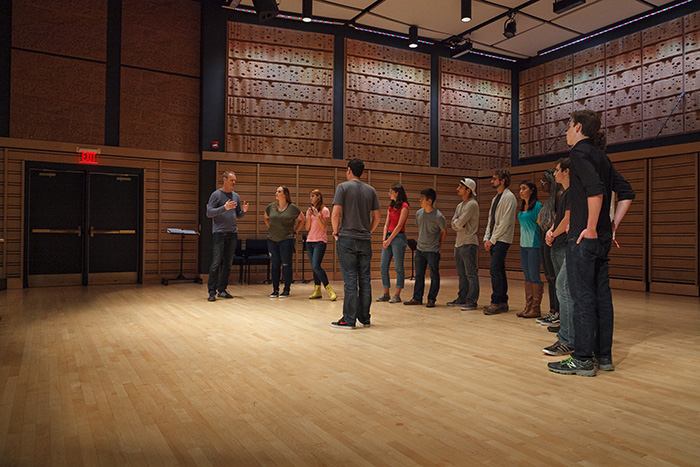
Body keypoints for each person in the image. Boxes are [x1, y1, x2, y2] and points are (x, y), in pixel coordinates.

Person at [548, 110, 635, 376]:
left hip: (585, 238)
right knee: (601, 298)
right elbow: (627, 192)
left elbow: (596, 190)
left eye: (568, 126)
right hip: (602, 237)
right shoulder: (602, 156)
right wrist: (612, 224)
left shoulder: (578, 154)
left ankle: (583, 359)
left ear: (577, 127)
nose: (565, 132)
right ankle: (603, 356)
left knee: (583, 298)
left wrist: (591, 227)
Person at [330, 159, 381, 329]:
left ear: (349, 170)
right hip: (365, 240)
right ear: (362, 172)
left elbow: (335, 214)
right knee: (365, 279)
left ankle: (349, 319)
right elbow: (378, 217)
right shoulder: (371, 190)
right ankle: (364, 318)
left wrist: (336, 232)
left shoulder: (342, 187)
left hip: (347, 239)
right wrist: (368, 231)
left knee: (350, 280)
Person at [543, 157, 574, 356]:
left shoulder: (574, 193)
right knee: (562, 288)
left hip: (569, 247)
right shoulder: (564, 195)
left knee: (564, 287)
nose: (554, 174)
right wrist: (551, 231)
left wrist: (554, 233)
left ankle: (568, 338)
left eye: (557, 170)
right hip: (560, 244)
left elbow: (569, 219)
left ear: (567, 171)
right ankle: (566, 333)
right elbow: (559, 218)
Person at [206, 171, 249, 302]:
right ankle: (212, 291)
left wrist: (244, 212)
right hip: (219, 233)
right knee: (216, 262)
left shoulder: (236, 196)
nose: (234, 182)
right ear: (224, 179)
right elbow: (209, 213)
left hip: (232, 233)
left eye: (235, 180)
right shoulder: (216, 195)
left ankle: (222, 290)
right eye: (231, 180)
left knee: (228, 264)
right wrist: (224, 208)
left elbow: (238, 215)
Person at [404, 188, 447, 308]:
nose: (420, 200)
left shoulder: (439, 216)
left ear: (429, 201)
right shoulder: (419, 213)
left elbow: (444, 231)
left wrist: (439, 246)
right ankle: (417, 298)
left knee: (434, 275)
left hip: (432, 250)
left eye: (422, 199)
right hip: (420, 249)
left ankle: (431, 299)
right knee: (419, 275)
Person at [483, 170, 517, 315]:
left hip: (502, 239)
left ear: (502, 180)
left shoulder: (509, 197)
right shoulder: (496, 198)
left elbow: (505, 222)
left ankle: (496, 301)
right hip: (494, 239)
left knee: (494, 269)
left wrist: (493, 239)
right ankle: (503, 301)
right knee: (499, 270)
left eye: (494, 179)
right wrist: (486, 237)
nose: (492, 181)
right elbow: (491, 219)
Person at [264, 186, 304, 298]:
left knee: (286, 264)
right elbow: (266, 218)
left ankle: (286, 289)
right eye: (276, 191)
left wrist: (295, 231)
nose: (276, 193)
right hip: (272, 239)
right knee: (275, 264)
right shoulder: (271, 207)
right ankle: (275, 289)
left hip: (286, 239)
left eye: (279, 191)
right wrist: (271, 228)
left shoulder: (293, 208)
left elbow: (302, 219)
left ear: (285, 194)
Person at [447, 178, 480, 310]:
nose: (457, 189)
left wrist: (457, 224)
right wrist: (457, 224)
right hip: (458, 243)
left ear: (468, 190)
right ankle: (462, 298)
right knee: (461, 274)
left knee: (470, 273)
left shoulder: (472, 204)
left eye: (460, 187)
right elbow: (454, 223)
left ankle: (472, 300)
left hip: (469, 242)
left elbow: (459, 223)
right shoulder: (460, 205)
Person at [376, 184, 409, 304]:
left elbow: (399, 225)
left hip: (398, 237)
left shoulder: (404, 206)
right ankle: (386, 293)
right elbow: (386, 224)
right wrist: (384, 239)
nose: (389, 194)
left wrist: (389, 240)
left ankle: (397, 294)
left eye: (391, 192)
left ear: (397, 193)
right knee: (383, 265)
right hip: (388, 237)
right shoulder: (390, 207)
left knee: (398, 267)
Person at [516, 180, 543, 318]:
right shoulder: (523, 208)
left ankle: (536, 308)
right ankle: (528, 306)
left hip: (534, 245)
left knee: (534, 277)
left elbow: (542, 226)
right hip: (523, 246)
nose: (521, 191)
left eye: (524, 188)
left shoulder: (537, 206)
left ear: (532, 190)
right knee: (527, 277)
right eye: (520, 188)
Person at [537, 169, 562, 323]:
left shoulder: (559, 196)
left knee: (555, 277)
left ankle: (558, 312)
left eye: (544, 181)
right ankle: (552, 310)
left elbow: (559, 219)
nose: (542, 183)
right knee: (549, 277)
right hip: (544, 238)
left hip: (553, 240)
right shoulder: (548, 200)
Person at [305, 189, 337, 301]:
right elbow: (307, 228)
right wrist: (309, 216)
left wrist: (317, 215)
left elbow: (324, 227)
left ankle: (328, 289)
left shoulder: (325, 210)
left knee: (316, 265)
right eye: (310, 196)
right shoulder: (309, 210)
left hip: (320, 241)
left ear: (318, 197)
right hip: (309, 241)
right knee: (314, 268)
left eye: (313, 196)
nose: (311, 198)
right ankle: (317, 290)